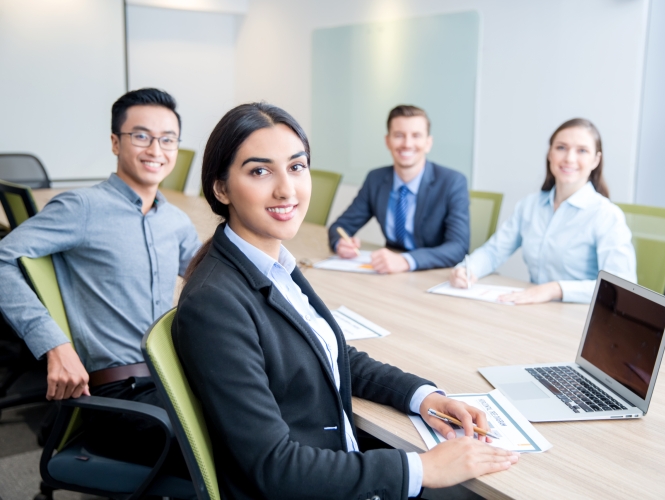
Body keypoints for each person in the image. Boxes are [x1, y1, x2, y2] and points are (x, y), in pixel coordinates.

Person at [174, 102, 518, 499]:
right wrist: (422, 467)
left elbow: (329, 351)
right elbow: (274, 467)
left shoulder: (272, 263)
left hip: (338, 464)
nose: (286, 189)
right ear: (221, 187)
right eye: (260, 171)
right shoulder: (216, 303)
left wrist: (425, 398)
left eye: (297, 166)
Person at [0, 88, 200, 465]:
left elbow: (211, 278)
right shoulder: (82, 208)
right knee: (241, 452)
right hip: (120, 396)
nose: (156, 150)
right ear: (115, 142)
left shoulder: (175, 221)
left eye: (167, 139)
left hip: (171, 381)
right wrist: (53, 345)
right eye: (141, 136)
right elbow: (2, 260)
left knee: (268, 422)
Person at [450, 118, 636, 304]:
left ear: (595, 160)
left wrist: (556, 289)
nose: (569, 158)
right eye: (561, 147)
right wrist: (468, 269)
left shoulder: (605, 215)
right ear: (550, 154)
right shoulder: (530, 205)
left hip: (580, 318)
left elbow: (620, 287)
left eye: (582, 150)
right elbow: (494, 252)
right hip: (535, 311)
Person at [328, 105, 470, 273]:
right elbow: (340, 227)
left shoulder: (452, 182)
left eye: (416, 136)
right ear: (387, 141)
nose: (407, 144)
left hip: (434, 273)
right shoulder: (376, 179)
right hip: (388, 275)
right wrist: (341, 243)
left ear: (428, 143)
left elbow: (459, 247)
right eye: (399, 135)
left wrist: (406, 261)